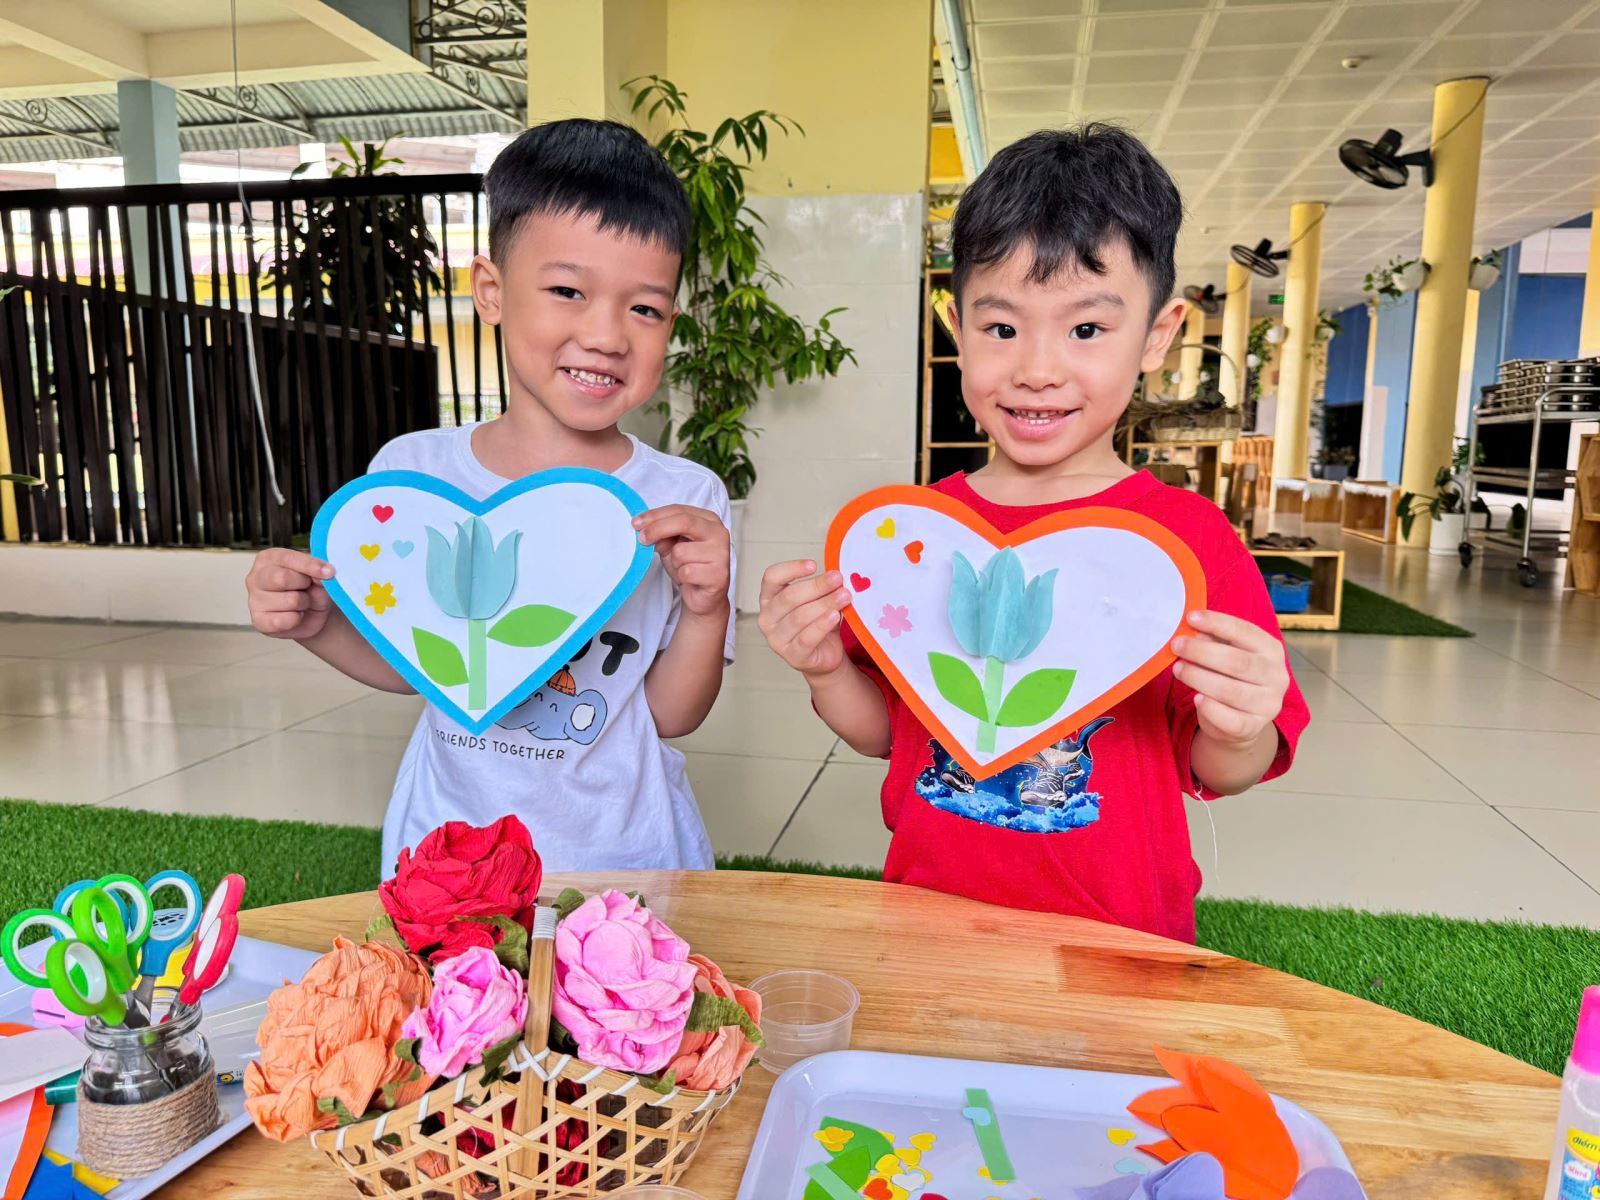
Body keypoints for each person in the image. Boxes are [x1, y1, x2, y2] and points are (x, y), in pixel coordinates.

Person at [757, 125, 1308, 943]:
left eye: (1085, 330)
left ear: (1157, 336)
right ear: (957, 327)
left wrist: (1242, 724)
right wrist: (824, 667)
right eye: (1002, 328)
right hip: (926, 919)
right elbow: (885, 737)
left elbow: (1222, 770)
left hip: (1122, 937)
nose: (1037, 370)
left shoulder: (1187, 543)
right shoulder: (918, 536)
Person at [245, 119, 735, 876]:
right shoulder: (412, 480)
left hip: (624, 854)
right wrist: (318, 626)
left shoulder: (684, 498)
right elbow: (420, 670)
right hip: (446, 853)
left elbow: (671, 715)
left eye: (645, 308)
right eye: (568, 291)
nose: (607, 335)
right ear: (492, 291)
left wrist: (707, 610)